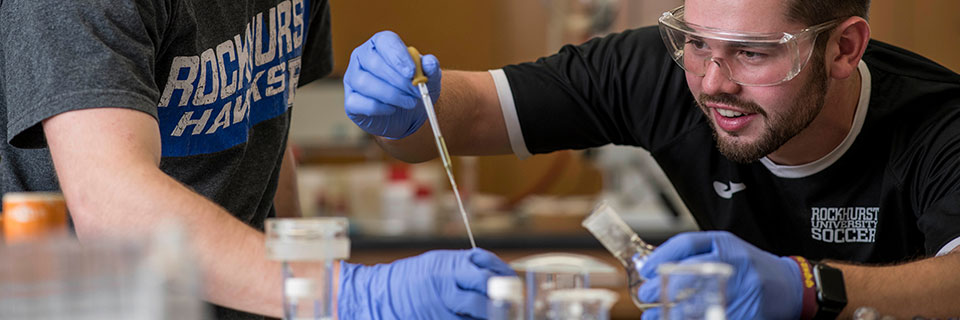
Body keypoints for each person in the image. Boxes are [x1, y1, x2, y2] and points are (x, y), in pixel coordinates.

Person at [342, 0, 960, 318]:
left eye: (752, 53)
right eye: (696, 41)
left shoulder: (940, 124)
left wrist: (806, 289)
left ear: (845, 48)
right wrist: (404, 107)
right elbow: (459, 117)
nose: (713, 82)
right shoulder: (660, 73)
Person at [0, 0, 513, 319]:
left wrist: (306, 285)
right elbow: (110, 201)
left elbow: (267, 130)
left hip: (248, 303)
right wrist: (341, 296)